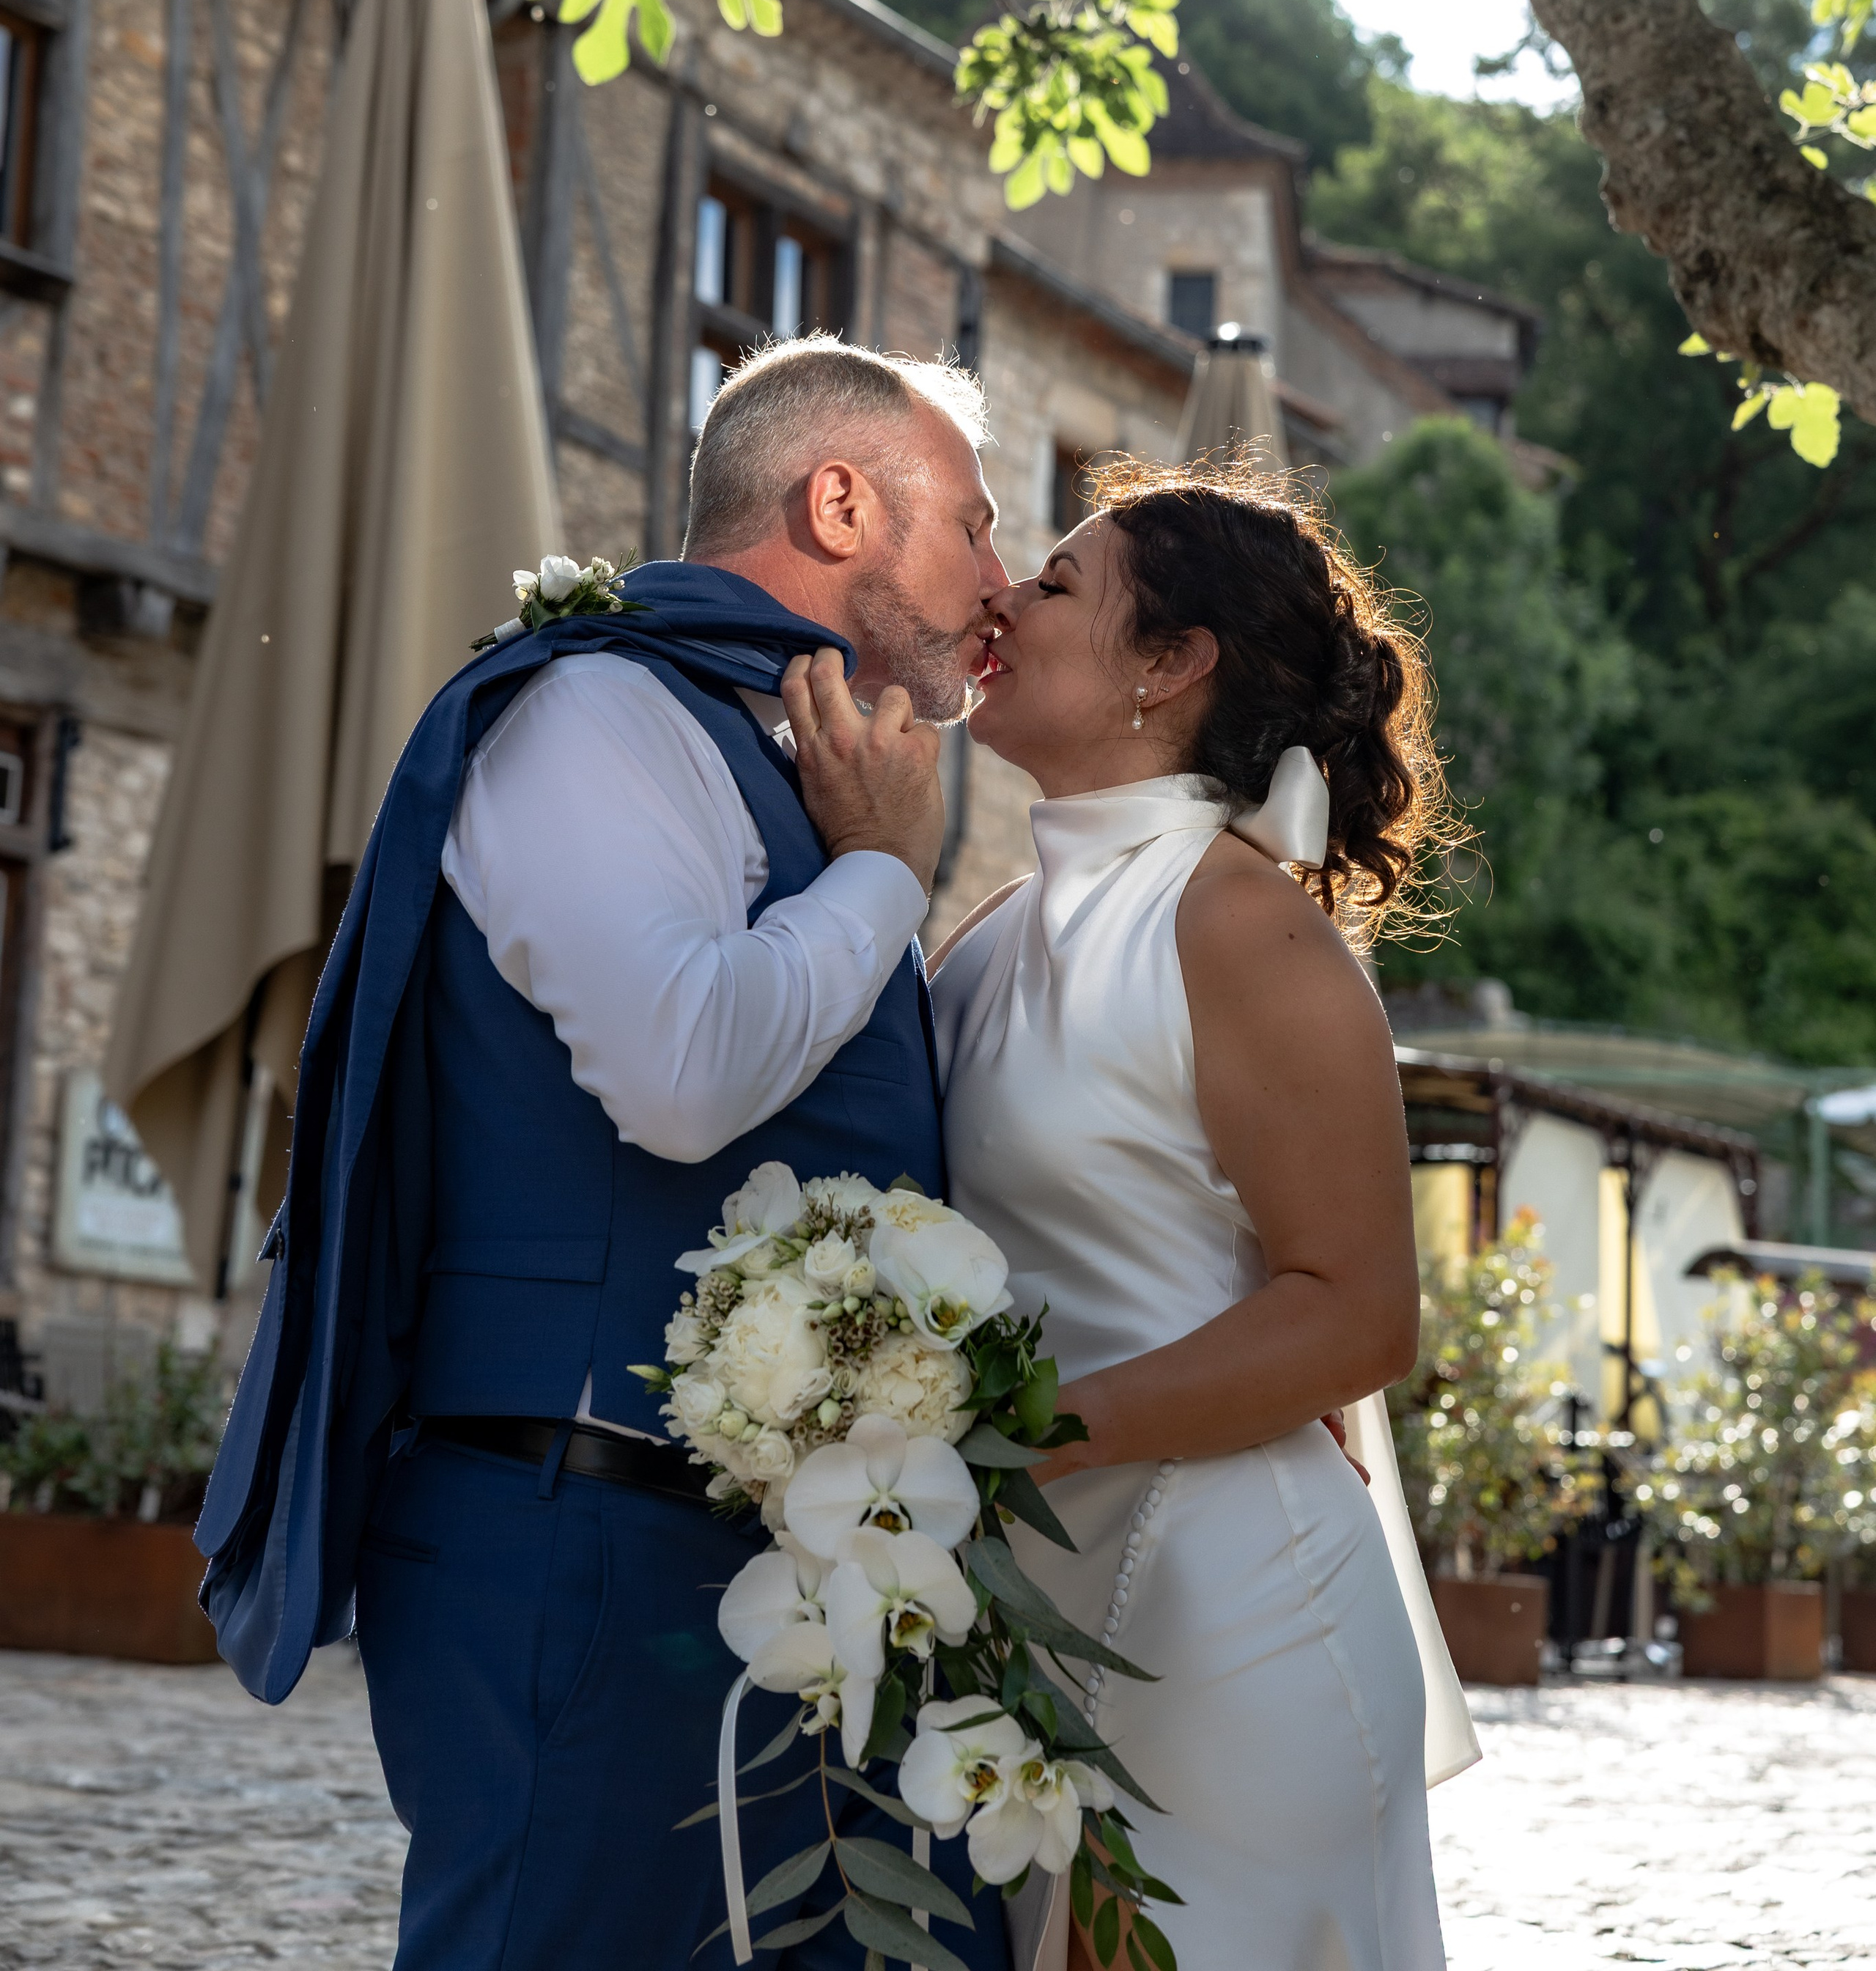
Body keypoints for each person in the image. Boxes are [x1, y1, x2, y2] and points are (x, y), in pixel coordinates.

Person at [194, 334, 1015, 1971]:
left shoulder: (772, 752)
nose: (1002, 579)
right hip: (569, 1537)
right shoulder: (592, 714)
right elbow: (679, 1072)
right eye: (975, 525)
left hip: (748, 1561)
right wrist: (880, 879)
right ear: (839, 501)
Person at [930, 452, 1474, 1971]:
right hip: (1035, 1602)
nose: (1001, 597)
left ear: (1167, 667)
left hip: (1227, 1617)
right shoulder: (991, 931)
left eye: (1052, 585)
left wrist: (1023, 1437)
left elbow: (1354, 1313)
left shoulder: (1239, 927)